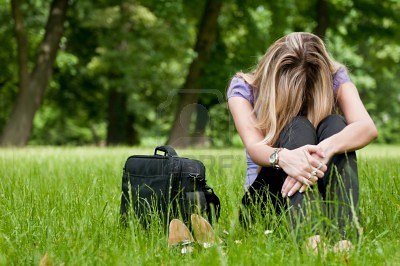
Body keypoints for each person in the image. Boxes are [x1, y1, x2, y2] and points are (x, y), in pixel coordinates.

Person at [227, 32, 377, 250]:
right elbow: (255, 147)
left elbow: (367, 127)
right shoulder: (243, 88)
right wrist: (285, 157)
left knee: (336, 125)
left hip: (321, 197)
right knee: (297, 126)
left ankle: (343, 236)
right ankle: (310, 237)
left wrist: (326, 148)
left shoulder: (336, 78)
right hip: (268, 202)